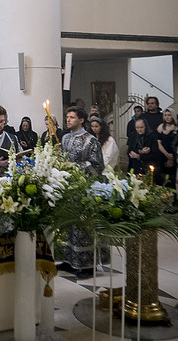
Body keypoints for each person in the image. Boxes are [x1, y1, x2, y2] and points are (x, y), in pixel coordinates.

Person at [60, 106, 105, 278]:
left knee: (83, 227)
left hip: (84, 189)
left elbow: (97, 166)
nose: (68, 120)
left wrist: (75, 166)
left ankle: (87, 265)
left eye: (72, 117)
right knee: (67, 224)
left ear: (81, 120)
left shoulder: (91, 140)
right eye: (67, 117)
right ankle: (69, 260)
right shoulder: (64, 138)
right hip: (67, 187)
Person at [156, 108, 178, 190]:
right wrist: (166, 154)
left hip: (174, 154)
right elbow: (159, 143)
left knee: (173, 178)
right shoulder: (160, 128)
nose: (167, 117)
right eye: (165, 115)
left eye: (169, 115)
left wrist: (172, 156)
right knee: (162, 176)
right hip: (163, 154)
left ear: (173, 116)